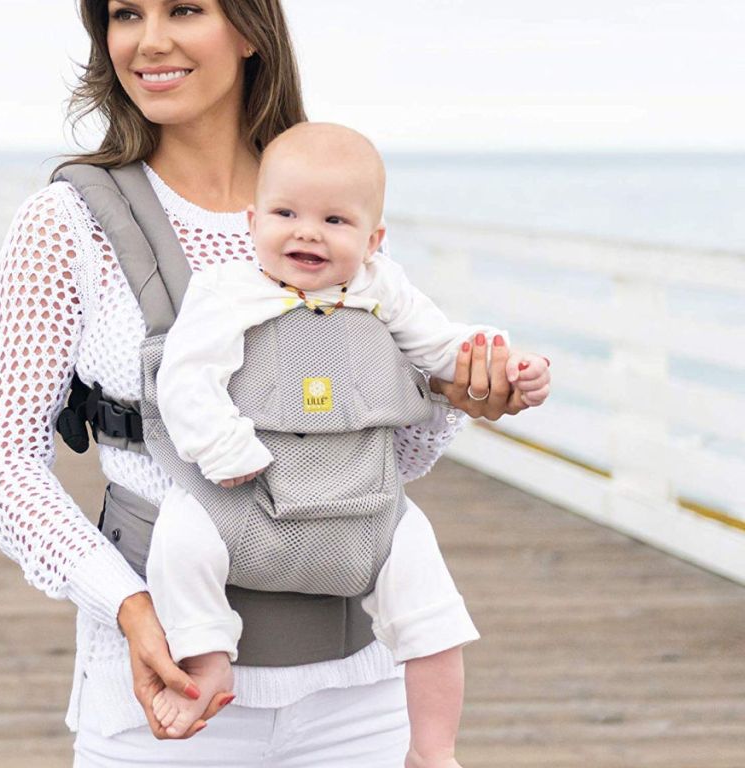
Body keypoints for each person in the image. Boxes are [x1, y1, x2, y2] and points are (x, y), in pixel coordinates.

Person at [0, 0, 545, 764]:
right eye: (125, 13)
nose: (151, 41)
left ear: (248, 30)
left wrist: (454, 398)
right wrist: (131, 609)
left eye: (184, 9)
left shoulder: (329, 201)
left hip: (358, 691)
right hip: (170, 685)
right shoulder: (66, 224)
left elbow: (386, 460)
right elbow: (2, 468)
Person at [144, 122, 551, 766]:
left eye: (335, 219)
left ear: (373, 239)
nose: (307, 231)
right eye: (286, 213)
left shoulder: (379, 288)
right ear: (251, 221)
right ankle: (210, 659)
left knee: (431, 604)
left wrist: (504, 360)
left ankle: (435, 747)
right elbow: (186, 378)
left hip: (364, 497)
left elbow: (441, 344)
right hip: (241, 491)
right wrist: (224, 448)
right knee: (179, 541)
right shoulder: (227, 292)